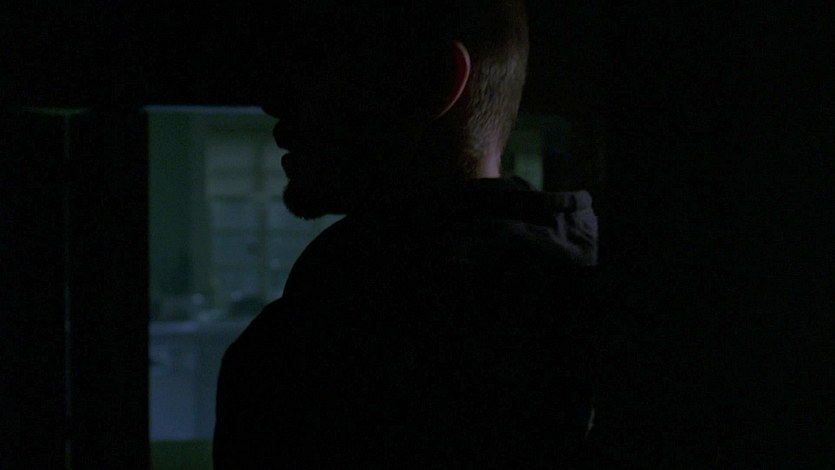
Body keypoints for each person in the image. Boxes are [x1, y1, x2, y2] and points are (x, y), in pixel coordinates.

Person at [213, 1, 599, 467]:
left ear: (435, 80)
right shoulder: (590, 314)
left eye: (317, 61)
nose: (273, 101)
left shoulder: (313, 355)